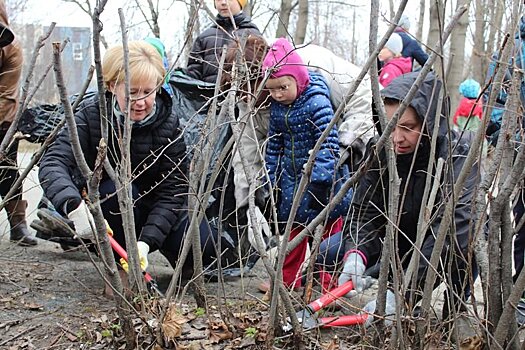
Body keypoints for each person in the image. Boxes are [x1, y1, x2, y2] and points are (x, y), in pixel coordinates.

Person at [38, 41, 219, 288]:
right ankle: (118, 267)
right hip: (113, 206)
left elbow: (172, 192)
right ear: (112, 86)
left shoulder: (169, 125)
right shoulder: (91, 115)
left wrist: (146, 242)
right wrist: (73, 205)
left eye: (149, 91)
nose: (142, 101)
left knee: (204, 244)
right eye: (132, 92)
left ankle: (173, 262)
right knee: (119, 191)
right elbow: (53, 162)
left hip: (154, 208)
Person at [221, 35, 372, 290]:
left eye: (252, 89)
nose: (248, 99)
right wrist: (251, 205)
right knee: (295, 228)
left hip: (337, 155)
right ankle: (287, 280)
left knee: (332, 224)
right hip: (295, 175)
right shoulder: (249, 100)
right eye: (242, 94)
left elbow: (362, 94)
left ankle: (326, 282)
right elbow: (246, 155)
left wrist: (343, 148)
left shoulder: (313, 66)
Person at [332, 72, 480, 324]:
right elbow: (364, 210)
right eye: (390, 126)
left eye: (408, 127)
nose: (397, 138)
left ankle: (455, 313)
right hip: (397, 237)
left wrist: (401, 294)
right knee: (330, 251)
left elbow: (450, 232)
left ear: (429, 121)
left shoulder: (458, 155)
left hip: (440, 247)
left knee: (466, 250)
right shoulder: (381, 149)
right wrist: (356, 253)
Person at [260, 38, 351, 290]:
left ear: (298, 79)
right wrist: (271, 176)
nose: (278, 94)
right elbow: (274, 145)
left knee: (327, 238)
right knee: (293, 236)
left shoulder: (318, 102)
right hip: (291, 184)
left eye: (283, 87)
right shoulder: (278, 108)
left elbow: (329, 143)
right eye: (272, 89)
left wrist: (320, 178)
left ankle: (327, 286)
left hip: (323, 185)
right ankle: (286, 281)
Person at [0, 1, 37, 246]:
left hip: (1, 117)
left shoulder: (10, 48)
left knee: (8, 169)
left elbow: (5, 95)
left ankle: (18, 223)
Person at [184, 0, 260, 84]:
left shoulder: (254, 36)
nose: (223, 2)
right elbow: (193, 74)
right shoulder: (205, 37)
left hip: (242, 95)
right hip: (208, 96)